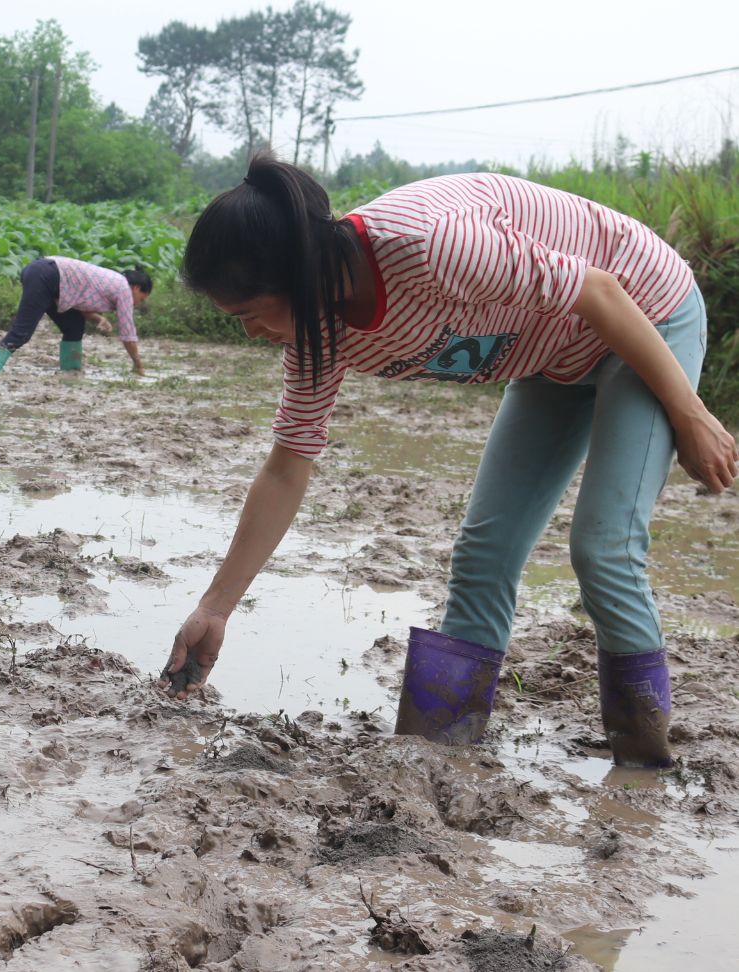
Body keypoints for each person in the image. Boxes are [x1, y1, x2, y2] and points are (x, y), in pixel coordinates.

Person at [162, 153, 736, 769]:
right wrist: (215, 608)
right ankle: (440, 756)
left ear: (298, 275)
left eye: (249, 314)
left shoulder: (425, 248)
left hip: (643, 315)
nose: (250, 333)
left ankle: (642, 766)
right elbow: (287, 466)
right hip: (548, 358)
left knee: (603, 546)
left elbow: (597, 291)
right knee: (483, 554)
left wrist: (692, 412)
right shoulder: (317, 333)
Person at [0, 257, 151, 375]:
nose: (138, 304)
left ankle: (70, 373)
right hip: (47, 276)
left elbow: (80, 304)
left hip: (46, 275)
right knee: (21, 333)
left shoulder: (113, 282)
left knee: (74, 326)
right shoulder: (123, 289)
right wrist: (138, 365)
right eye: (141, 299)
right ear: (136, 288)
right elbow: (128, 333)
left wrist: (99, 319)